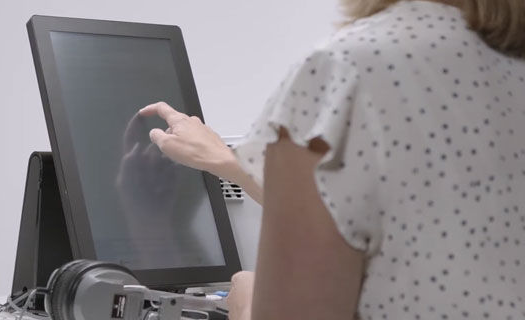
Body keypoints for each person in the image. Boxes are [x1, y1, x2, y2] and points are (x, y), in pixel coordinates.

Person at [139, 0, 525, 319]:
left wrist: (246, 306)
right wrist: (227, 163)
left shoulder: (348, 68)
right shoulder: (507, 64)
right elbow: (418, 221)